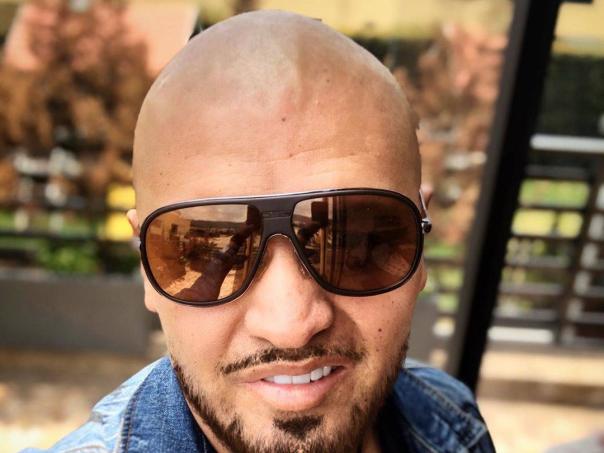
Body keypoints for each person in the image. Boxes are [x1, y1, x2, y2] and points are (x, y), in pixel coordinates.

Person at [28, 10, 495, 453]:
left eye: (355, 240)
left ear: (420, 242)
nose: (291, 326)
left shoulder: (449, 417)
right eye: (210, 249)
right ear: (146, 267)